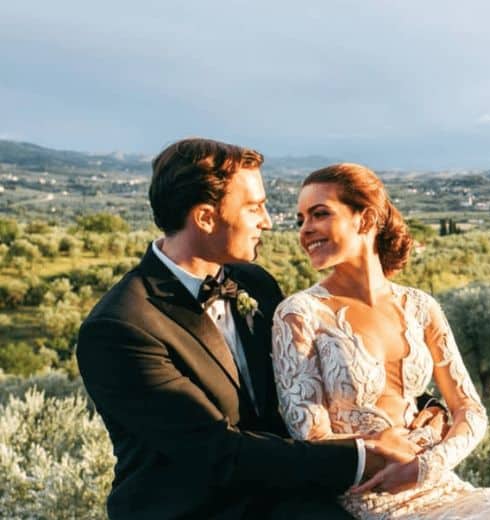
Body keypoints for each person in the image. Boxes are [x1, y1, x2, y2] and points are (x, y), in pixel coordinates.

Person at [76, 138, 435, 519]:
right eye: (254, 208)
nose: (266, 221)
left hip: (286, 496)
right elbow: (218, 453)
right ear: (205, 217)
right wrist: (368, 455)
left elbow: (318, 371)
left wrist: (422, 407)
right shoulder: (120, 328)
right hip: (198, 509)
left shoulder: (254, 283)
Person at [272, 163, 490, 518]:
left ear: (365, 219)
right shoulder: (299, 314)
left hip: (445, 487)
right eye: (300, 219)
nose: (305, 230)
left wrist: (426, 466)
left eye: (319, 214)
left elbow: (470, 409)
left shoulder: (421, 307)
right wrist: (382, 449)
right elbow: (309, 440)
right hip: (370, 500)